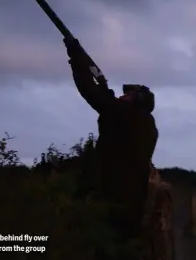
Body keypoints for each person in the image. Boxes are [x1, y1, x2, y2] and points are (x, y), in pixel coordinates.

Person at [65, 37, 159, 248]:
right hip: (132, 203)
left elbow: (89, 90)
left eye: (128, 94)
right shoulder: (146, 124)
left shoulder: (124, 114)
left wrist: (75, 57)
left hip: (112, 199)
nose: (123, 96)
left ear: (137, 101)